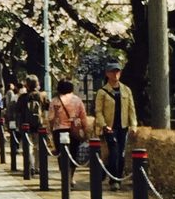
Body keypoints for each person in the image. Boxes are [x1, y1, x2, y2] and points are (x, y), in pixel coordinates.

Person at [94, 59, 138, 188]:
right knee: (114, 151)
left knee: (121, 153)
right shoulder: (102, 92)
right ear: (107, 74)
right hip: (110, 127)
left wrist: (133, 125)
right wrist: (103, 125)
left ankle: (117, 177)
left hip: (123, 125)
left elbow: (131, 109)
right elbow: (98, 111)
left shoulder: (126, 90)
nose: (115, 74)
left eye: (117, 72)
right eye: (112, 72)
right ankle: (114, 181)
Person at [48, 77, 89, 184]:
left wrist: (51, 130)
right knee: (73, 154)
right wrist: (85, 130)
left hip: (59, 130)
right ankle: (70, 176)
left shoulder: (55, 101)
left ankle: (64, 176)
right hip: (73, 130)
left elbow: (51, 119)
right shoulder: (77, 100)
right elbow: (83, 117)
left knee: (61, 154)